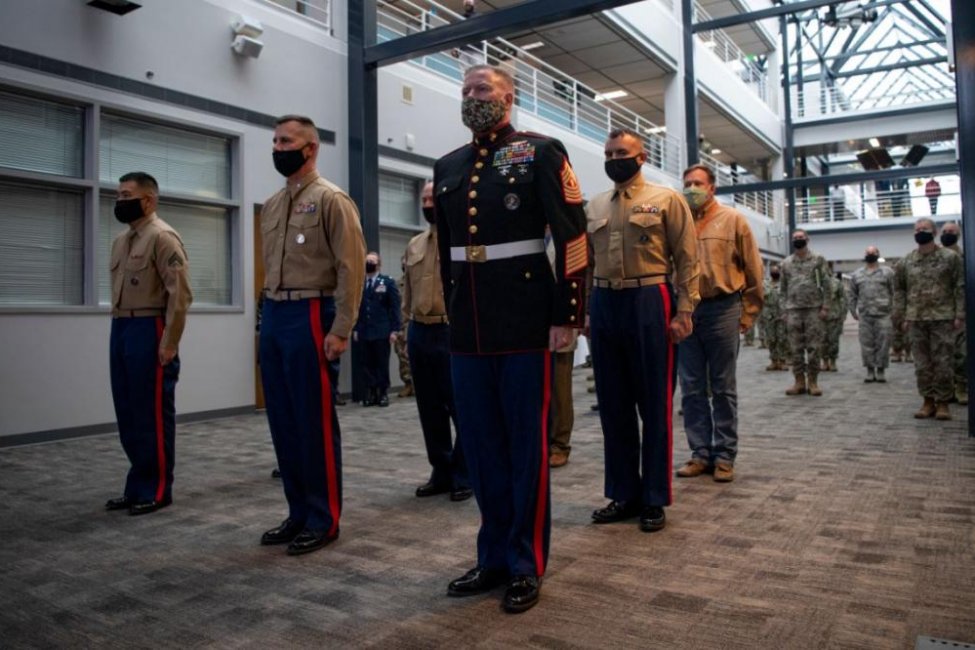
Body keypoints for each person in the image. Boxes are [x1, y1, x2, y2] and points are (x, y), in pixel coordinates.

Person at [434, 65, 587, 613]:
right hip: (468, 328)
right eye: (467, 91)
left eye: (483, 90)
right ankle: (492, 556)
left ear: (508, 97)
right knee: (480, 449)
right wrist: (446, 316)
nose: (474, 98)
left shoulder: (541, 151)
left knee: (525, 449)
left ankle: (526, 562)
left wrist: (568, 314)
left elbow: (573, 237)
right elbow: (445, 252)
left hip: (525, 321)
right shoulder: (448, 165)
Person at [258, 114, 366, 555]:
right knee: (283, 422)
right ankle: (297, 512)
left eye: (287, 141)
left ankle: (323, 518)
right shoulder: (273, 204)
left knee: (313, 422)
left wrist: (341, 328)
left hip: (311, 314)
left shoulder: (332, 200)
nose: (278, 148)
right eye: (275, 140)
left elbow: (350, 268)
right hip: (276, 314)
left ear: (311, 148)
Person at [588, 128, 699, 531]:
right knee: (613, 406)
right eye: (609, 152)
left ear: (641, 156)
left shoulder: (666, 199)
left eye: (623, 152)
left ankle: (654, 497)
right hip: (603, 303)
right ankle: (624, 493)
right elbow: (585, 263)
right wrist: (584, 311)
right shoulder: (595, 205)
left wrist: (685, 309)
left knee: (653, 404)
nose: (615, 158)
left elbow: (688, 259)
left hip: (649, 300)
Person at [106, 171, 192, 516]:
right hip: (121, 327)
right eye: (118, 195)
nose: (120, 201)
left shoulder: (163, 237)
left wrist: (169, 342)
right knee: (127, 412)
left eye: (127, 195)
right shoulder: (121, 241)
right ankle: (136, 485)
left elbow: (181, 295)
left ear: (149, 200)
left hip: (150, 327)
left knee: (152, 414)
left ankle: (157, 488)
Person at [674, 164, 762, 483]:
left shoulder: (734, 220)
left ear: (712, 188)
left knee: (723, 386)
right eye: (687, 184)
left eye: (698, 183)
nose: (691, 189)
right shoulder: (678, 222)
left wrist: (748, 314)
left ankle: (724, 455)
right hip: (686, 311)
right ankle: (700, 453)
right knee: (692, 387)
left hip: (723, 308)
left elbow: (753, 269)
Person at [402, 181, 471, 502]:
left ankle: (464, 473)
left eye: (433, 198)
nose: (428, 203)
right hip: (419, 331)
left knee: (461, 405)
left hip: (451, 330)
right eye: (424, 198)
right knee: (428, 407)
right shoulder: (414, 244)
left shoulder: (462, 241)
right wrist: (405, 329)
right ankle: (441, 471)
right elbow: (408, 292)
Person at [894, 218, 964, 420]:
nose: (920, 232)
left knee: (943, 362)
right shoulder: (906, 261)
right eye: (917, 229)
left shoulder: (950, 258)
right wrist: (901, 317)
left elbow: (959, 286)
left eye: (924, 229)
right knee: (922, 364)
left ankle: (943, 403)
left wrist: (960, 314)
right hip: (916, 319)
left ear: (934, 232)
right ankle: (927, 401)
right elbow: (899, 291)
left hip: (943, 318)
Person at [780, 229, 832, 396]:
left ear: (807, 239)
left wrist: (825, 306)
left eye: (801, 237)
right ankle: (799, 382)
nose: (798, 240)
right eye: (795, 238)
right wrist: (784, 310)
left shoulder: (818, 260)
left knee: (814, 348)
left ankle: (813, 382)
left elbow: (827, 284)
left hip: (813, 309)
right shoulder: (786, 263)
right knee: (795, 348)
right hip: (793, 310)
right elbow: (783, 289)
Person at [546, 227, 580, 468]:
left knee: (559, 387)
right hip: (530, 324)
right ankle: (540, 440)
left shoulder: (565, 235)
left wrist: (575, 319)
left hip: (559, 321)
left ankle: (559, 443)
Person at [355, 252, 401, 407]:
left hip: (382, 330)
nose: (369, 263)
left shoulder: (386, 282)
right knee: (366, 363)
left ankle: (382, 393)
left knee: (381, 363)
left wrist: (395, 330)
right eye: (367, 261)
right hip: (364, 330)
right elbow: (355, 308)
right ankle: (370, 392)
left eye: (372, 261)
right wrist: (355, 329)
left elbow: (394, 308)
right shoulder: (360, 283)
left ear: (379, 264)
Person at [848, 246, 895, 383]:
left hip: (883, 313)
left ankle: (880, 370)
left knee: (883, 343)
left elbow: (894, 292)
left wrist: (895, 310)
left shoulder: (888, 272)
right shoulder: (857, 274)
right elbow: (852, 295)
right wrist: (853, 310)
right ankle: (869, 370)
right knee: (866, 343)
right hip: (865, 314)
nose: (870, 255)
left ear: (878, 255)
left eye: (873, 253)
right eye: (868, 253)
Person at [940, 222, 967, 405]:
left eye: (952, 231)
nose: (948, 234)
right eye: (945, 231)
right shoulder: (935, 256)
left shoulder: (965, 256)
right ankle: (946, 389)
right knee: (942, 354)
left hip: (960, 312)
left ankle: (962, 387)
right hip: (938, 313)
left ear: (958, 234)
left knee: (961, 353)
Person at [761, 264, 789, 371]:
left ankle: (782, 361)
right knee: (771, 339)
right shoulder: (765, 284)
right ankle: (773, 361)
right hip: (769, 315)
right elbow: (761, 297)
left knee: (782, 339)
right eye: (773, 270)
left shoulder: (784, 285)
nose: (774, 272)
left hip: (782, 315)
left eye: (776, 270)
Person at [820, 270, 847, 372]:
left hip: (834, 315)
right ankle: (824, 361)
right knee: (822, 341)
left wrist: (843, 313)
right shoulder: (817, 283)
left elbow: (843, 299)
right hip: (820, 316)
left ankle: (833, 361)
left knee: (833, 340)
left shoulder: (836, 282)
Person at [394, 265, 414, 398]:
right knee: (402, 357)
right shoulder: (397, 284)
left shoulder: (416, 281)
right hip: (401, 324)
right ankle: (408, 384)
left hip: (415, 323)